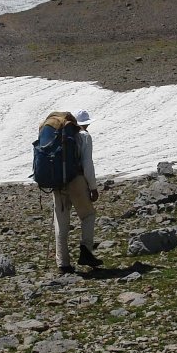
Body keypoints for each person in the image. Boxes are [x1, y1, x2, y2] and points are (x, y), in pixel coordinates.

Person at [53, 109, 103, 273]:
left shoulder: (60, 135)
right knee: (88, 215)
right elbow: (87, 164)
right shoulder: (84, 136)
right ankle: (86, 252)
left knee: (61, 222)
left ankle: (63, 263)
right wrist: (93, 188)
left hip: (58, 181)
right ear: (86, 123)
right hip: (77, 180)